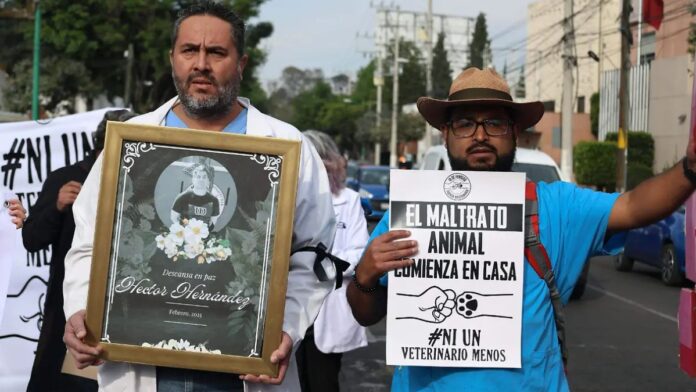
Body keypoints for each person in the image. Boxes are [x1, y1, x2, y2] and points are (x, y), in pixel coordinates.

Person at [347, 67, 696, 391]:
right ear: (446, 134)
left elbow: (634, 206)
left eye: (495, 123)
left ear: (515, 132)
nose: (480, 135)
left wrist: (690, 169)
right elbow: (367, 313)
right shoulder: (412, 212)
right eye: (465, 123)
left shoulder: (556, 206)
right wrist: (364, 275)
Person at [62, 2, 336, 391]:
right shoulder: (129, 143)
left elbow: (313, 256)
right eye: (190, 51)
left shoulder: (287, 148)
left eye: (217, 53)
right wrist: (79, 311)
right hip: (140, 360)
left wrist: (286, 328)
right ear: (172, 57)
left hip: (244, 368)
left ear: (241, 62)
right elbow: (89, 244)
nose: (201, 64)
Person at [23, 109, 137, 392]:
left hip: (127, 312)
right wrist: (57, 207)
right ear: (102, 145)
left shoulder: (141, 184)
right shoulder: (67, 179)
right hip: (69, 310)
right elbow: (32, 239)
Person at [295, 131, 369, 391]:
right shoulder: (288, 197)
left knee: (323, 382)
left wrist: (325, 265)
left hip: (326, 307)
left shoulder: (349, 200)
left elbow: (361, 252)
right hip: (290, 309)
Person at [170, 161, 221, 228]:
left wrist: (204, 232)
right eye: (198, 177)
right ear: (193, 179)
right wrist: (184, 230)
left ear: (208, 181)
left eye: (204, 177)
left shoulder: (214, 200)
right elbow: (174, 217)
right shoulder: (182, 197)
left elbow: (213, 221)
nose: (201, 180)